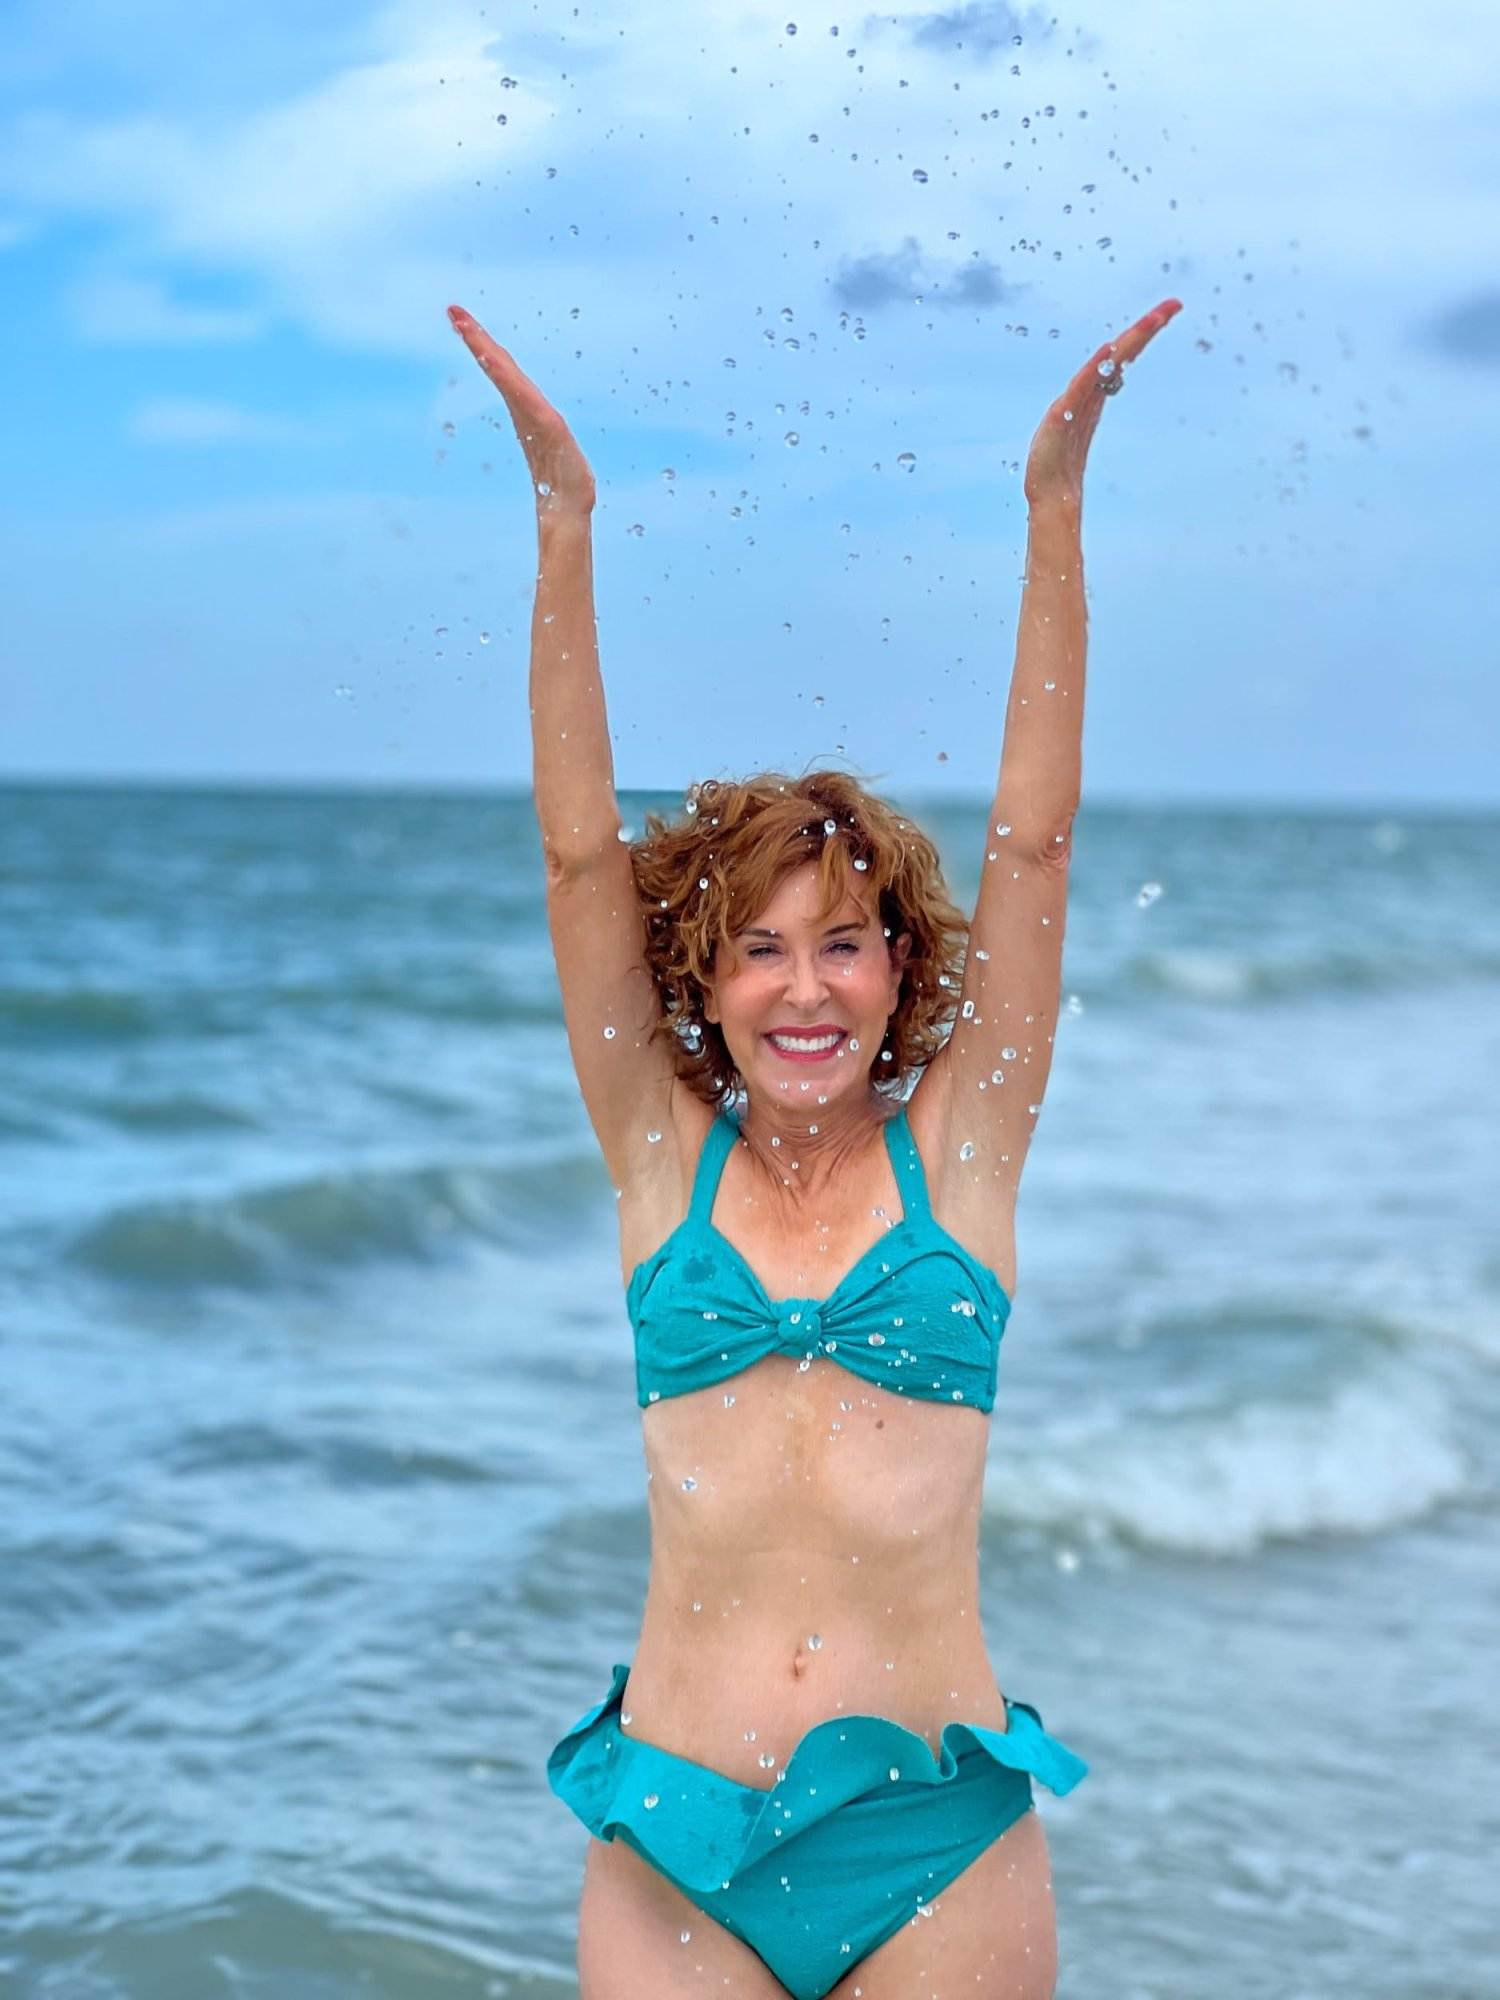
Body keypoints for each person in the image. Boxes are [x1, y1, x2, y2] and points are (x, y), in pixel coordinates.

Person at [447, 294, 1181, 1999]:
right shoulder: (658, 1158)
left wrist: (1052, 516)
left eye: (847, 942)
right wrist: (567, 530)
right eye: (762, 947)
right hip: (676, 1844)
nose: (805, 988)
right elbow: (575, 866)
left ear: (904, 969)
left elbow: (1039, 843)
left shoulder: (966, 1160)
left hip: (937, 1847)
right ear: (702, 976)